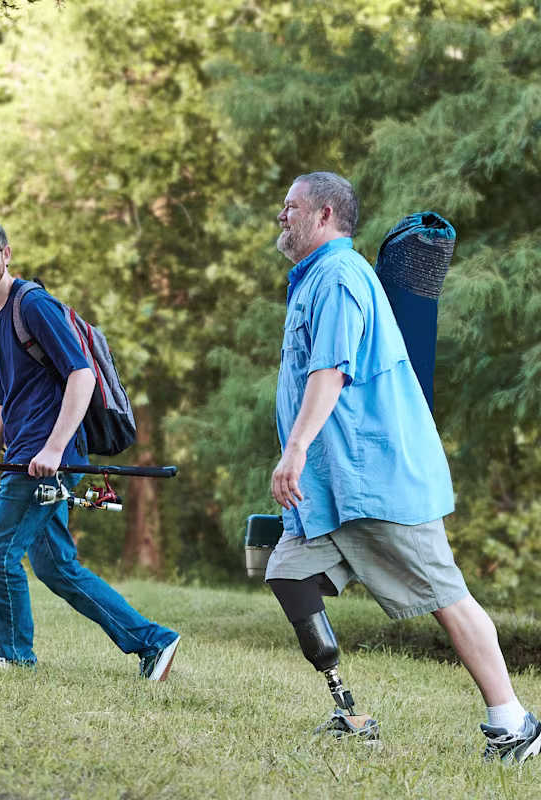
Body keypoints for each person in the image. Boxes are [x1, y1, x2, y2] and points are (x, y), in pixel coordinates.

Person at [266, 172, 541, 763]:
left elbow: (331, 373)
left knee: (447, 596)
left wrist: (292, 450)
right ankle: (351, 714)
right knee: (288, 572)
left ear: (323, 216)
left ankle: (514, 723)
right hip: (328, 487)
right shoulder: (316, 279)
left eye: (291, 208)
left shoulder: (339, 277)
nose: (281, 217)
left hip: (376, 479)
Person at [0, 217, 180, 680]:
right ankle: (153, 641)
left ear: (7, 253)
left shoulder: (32, 304)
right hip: (23, 458)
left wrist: (55, 449)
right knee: (56, 567)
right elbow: (0, 401)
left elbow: (82, 375)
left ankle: (15, 658)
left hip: (47, 459)